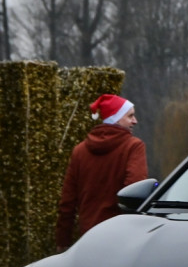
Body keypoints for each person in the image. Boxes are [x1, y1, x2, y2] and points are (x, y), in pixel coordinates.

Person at [56, 94, 149, 251]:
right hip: (121, 238)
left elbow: (67, 202)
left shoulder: (79, 151)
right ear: (117, 118)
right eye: (130, 116)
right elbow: (134, 195)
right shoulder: (133, 147)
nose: (135, 121)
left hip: (87, 239)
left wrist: (62, 241)